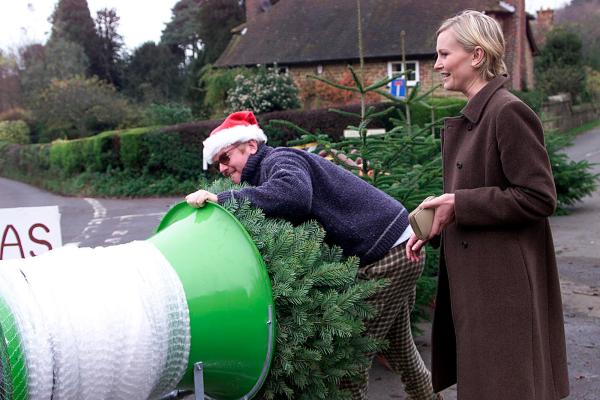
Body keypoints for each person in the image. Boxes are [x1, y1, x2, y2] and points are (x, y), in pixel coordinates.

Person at [186, 110, 439, 399]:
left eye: (225, 158)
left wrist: (223, 199)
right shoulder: (269, 168)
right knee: (400, 349)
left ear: (251, 146)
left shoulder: (279, 160)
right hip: (396, 244)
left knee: (350, 360)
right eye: (217, 163)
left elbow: (294, 195)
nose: (222, 168)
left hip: (389, 255)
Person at [406, 10, 569, 400]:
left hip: (504, 293)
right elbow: (480, 194)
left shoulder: (507, 112)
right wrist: (440, 216)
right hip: (481, 293)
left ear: (476, 56)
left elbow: (539, 196)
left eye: (445, 54)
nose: (437, 64)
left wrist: (459, 205)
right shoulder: (476, 117)